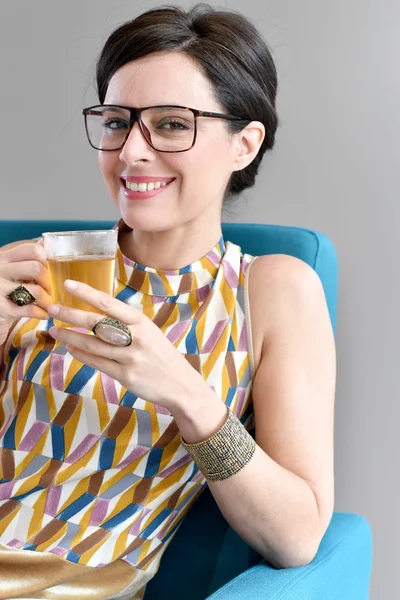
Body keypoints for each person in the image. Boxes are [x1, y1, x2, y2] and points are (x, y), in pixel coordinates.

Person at [0, 4, 336, 599]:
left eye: (173, 124)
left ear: (244, 144)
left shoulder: (272, 291)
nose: (130, 151)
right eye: (115, 122)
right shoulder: (35, 269)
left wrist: (185, 393)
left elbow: (299, 536)